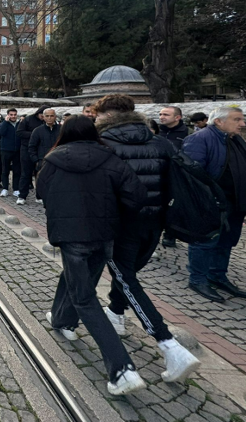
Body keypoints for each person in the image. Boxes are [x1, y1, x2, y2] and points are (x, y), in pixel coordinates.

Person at [37, 115, 149, 395]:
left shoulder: (53, 160)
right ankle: (62, 319)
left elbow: (41, 192)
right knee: (77, 280)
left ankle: (122, 369)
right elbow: (136, 195)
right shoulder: (110, 158)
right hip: (103, 234)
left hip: (71, 234)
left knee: (84, 297)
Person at [95, 94, 200, 382]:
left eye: (98, 114)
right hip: (154, 223)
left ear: (108, 115)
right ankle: (116, 314)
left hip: (120, 225)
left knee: (126, 278)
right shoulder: (160, 142)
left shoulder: (103, 143)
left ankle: (169, 346)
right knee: (126, 274)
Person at [183, 106, 246, 301]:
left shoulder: (235, 139)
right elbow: (191, 173)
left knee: (226, 241)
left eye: (242, 119)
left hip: (235, 201)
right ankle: (198, 279)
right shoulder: (200, 138)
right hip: (212, 202)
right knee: (205, 241)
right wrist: (206, 199)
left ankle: (217, 275)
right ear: (219, 121)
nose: (243, 123)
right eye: (237, 119)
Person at [16, 104, 48, 205]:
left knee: (40, 174)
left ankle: (39, 196)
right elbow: (19, 132)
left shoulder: (47, 122)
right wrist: (35, 135)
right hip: (27, 149)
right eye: (42, 115)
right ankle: (22, 196)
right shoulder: (28, 120)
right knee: (25, 173)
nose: (44, 117)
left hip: (41, 150)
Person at [28, 108, 60, 202]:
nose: (49, 118)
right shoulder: (37, 131)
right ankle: (40, 197)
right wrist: (36, 160)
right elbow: (31, 147)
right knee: (42, 180)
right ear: (43, 117)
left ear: (55, 117)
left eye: (51, 116)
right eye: (47, 116)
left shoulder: (61, 129)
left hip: (58, 160)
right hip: (42, 160)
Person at [0, 109, 20, 197]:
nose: (13, 116)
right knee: (5, 170)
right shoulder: (4, 123)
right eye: (11, 114)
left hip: (17, 150)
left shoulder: (19, 124)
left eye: (15, 114)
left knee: (17, 170)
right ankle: (5, 188)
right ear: (8, 115)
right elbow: (1, 133)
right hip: (6, 150)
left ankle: (16, 189)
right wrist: (6, 122)